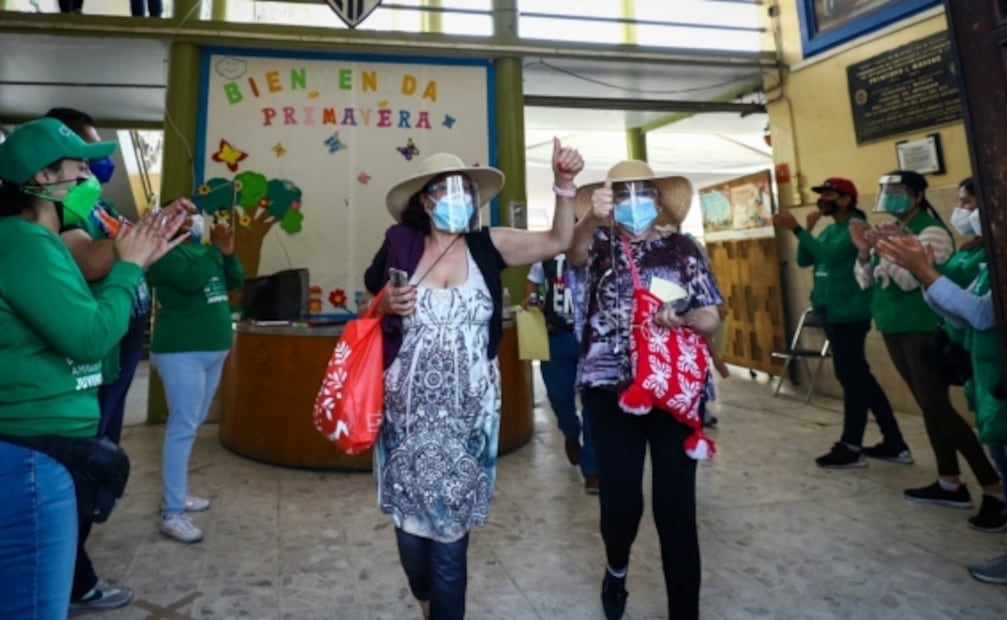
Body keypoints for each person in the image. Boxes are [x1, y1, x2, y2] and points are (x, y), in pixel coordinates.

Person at [362, 139, 583, 620]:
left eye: (466, 189)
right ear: (425, 200)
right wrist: (383, 304)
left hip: (468, 419)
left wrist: (565, 186)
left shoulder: (490, 245)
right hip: (405, 417)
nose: (459, 197)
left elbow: (558, 242)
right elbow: (372, 303)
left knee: (449, 540)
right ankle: (425, 602)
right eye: (448, 189)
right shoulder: (400, 245)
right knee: (409, 532)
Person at [0, 117, 183, 619]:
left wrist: (136, 261)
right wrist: (128, 268)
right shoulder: (26, 243)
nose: (90, 179)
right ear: (42, 178)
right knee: (35, 604)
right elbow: (88, 339)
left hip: (42, 441)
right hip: (34, 446)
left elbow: (84, 322)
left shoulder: (36, 242)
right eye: (80, 168)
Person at [44, 106, 195, 613]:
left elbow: (134, 251)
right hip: (94, 347)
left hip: (120, 344)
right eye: (83, 157)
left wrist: (157, 231)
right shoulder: (61, 210)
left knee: (98, 453)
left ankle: (71, 567)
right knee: (85, 463)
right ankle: (73, 579)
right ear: (50, 165)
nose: (92, 169)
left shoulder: (96, 203)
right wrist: (137, 244)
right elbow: (92, 259)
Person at [569, 160, 723, 620]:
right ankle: (616, 568)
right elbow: (573, 253)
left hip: (674, 386)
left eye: (644, 194)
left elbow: (712, 312)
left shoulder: (684, 249)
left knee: (676, 507)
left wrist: (691, 318)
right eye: (623, 195)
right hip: (609, 387)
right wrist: (589, 218)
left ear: (658, 201)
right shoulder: (597, 243)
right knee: (622, 501)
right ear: (610, 204)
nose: (634, 203)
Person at [851, 170, 1002, 525]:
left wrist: (893, 250)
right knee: (928, 407)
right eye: (887, 191)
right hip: (893, 326)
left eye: (899, 191)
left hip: (922, 328)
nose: (891, 198)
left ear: (918, 196)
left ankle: (992, 485)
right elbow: (866, 280)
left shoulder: (931, 230)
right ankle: (949, 481)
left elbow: (910, 279)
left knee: (938, 407)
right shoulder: (892, 230)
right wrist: (866, 251)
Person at [877, 226, 1007, 581]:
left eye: (972, 200)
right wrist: (927, 276)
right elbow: (963, 312)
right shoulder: (987, 254)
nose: (967, 211)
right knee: (1000, 452)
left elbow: (983, 314)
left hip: (995, 370)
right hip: (986, 371)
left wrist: (923, 271)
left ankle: (990, 491)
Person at [772, 177, 909, 468]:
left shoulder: (856, 227)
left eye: (830, 194)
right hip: (831, 309)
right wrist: (806, 230)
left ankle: (851, 445)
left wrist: (795, 228)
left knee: (852, 379)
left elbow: (833, 257)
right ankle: (894, 442)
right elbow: (805, 260)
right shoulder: (831, 228)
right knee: (860, 377)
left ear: (846, 199)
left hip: (849, 312)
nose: (824, 199)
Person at [147, 211, 244, 543]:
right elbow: (192, 281)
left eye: (194, 213)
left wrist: (227, 252)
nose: (193, 218)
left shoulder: (205, 252)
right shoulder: (162, 252)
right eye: (183, 213)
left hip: (212, 350)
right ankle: (172, 512)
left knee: (192, 423)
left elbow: (235, 281)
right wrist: (216, 250)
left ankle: (178, 494)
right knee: (182, 428)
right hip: (180, 352)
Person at [525, 253, 599, 493]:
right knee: (560, 398)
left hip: (592, 339)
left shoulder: (598, 250)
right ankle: (570, 431)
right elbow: (532, 282)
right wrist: (531, 298)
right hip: (556, 338)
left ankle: (592, 469)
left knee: (594, 403)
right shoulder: (546, 254)